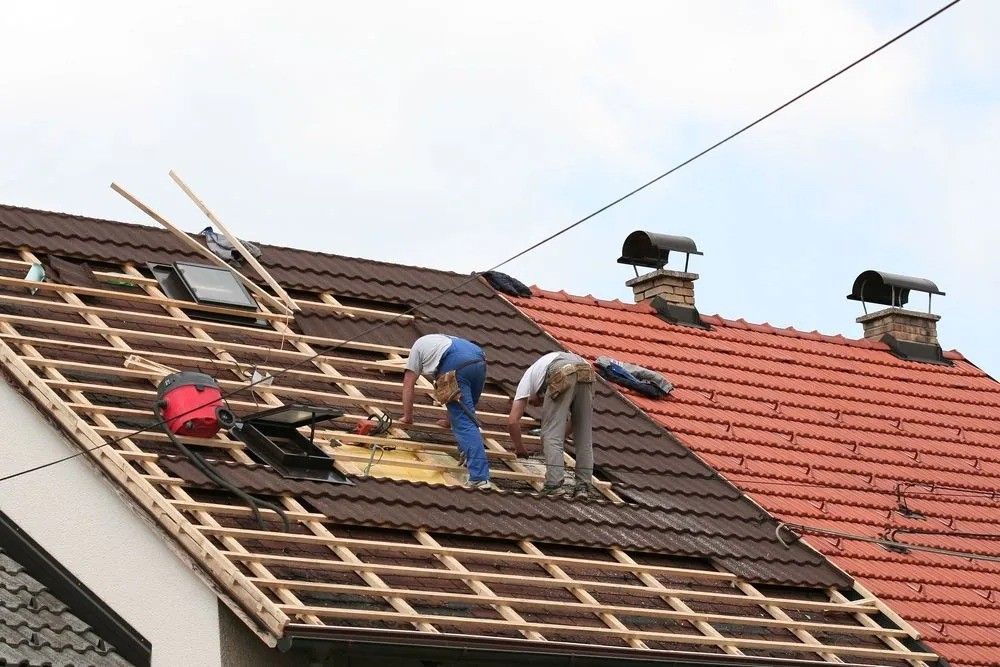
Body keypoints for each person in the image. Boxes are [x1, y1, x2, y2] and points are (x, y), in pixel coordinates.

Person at [400, 334, 492, 489]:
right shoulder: (442, 339)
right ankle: (466, 450)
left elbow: (408, 384)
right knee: (467, 414)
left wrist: (407, 417)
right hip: (479, 360)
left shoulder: (417, 348)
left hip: (456, 363)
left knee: (464, 421)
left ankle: (479, 477)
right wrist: (449, 421)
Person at [508, 351, 595, 499]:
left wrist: (520, 448)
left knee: (550, 433)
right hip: (587, 371)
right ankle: (583, 487)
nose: (538, 403)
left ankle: (553, 485)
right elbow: (574, 423)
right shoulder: (541, 372)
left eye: (533, 402)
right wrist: (556, 441)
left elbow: (512, 421)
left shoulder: (527, 380)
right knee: (584, 435)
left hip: (561, 370)